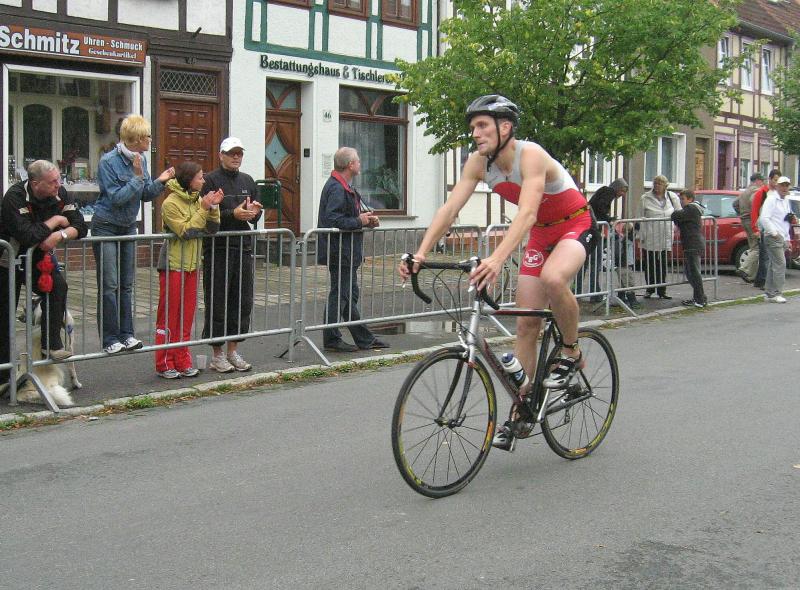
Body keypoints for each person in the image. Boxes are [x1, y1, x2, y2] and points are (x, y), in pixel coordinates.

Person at [398, 95, 597, 452]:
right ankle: (522, 411)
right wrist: (421, 252)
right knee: (526, 323)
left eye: (482, 125)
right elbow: (450, 208)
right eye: (472, 127)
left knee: (553, 278)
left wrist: (496, 259)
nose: (475, 133)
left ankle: (571, 352)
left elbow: (527, 213)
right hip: (541, 235)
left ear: (505, 127)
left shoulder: (531, 155)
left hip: (574, 224)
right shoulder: (478, 163)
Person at [0, 160, 89, 389]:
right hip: (8, 259)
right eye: (52, 182)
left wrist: (60, 236)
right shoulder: (14, 198)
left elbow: (81, 225)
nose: (58, 185)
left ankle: (51, 343)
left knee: (58, 287)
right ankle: (3, 377)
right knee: (5, 316)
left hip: (37, 257)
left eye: (59, 179)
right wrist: (56, 221)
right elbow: (27, 235)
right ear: (35, 183)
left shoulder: (61, 193)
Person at [94, 114, 175, 354]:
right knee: (109, 284)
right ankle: (110, 339)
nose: (150, 139)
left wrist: (161, 181)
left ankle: (127, 335)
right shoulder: (108, 162)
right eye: (147, 136)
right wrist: (138, 178)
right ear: (136, 138)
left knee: (126, 284)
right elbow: (116, 198)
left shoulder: (142, 159)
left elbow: (145, 194)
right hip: (106, 225)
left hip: (128, 225)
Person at [154, 162, 223, 378]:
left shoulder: (197, 201)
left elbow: (211, 229)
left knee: (186, 317)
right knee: (169, 316)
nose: (203, 181)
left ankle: (183, 360)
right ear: (189, 180)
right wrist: (203, 209)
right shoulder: (170, 203)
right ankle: (164, 362)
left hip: (193, 265)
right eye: (200, 177)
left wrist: (214, 208)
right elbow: (187, 231)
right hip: (173, 265)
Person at [317, 147, 389, 353]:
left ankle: (363, 338)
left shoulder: (344, 186)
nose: (360, 163)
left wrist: (366, 221)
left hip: (346, 251)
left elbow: (346, 217)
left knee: (348, 295)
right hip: (340, 251)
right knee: (341, 295)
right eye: (357, 161)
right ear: (350, 165)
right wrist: (359, 221)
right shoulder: (337, 188)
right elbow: (333, 219)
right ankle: (333, 338)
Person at [201, 137, 263, 373]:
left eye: (239, 153)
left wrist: (254, 212)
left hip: (243, 247)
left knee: (242, 301)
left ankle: (232, 350)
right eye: (231, 153)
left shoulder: (248, 180)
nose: (236, 157)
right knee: (218, 301)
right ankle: (217, 354)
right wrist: (232, 214)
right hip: (218, 248)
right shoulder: (210, 180)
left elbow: (255, 212)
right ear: (221, 155)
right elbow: (206, 213)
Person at [583, 178, 639, 307]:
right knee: (595, 263)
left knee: (589, 263)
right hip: (593, 227)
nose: (623, 194)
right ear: (618, 188)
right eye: (623, 191)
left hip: (591, 225)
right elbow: (600, 208)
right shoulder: (609, 192)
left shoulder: (606, 192)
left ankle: (591, 292)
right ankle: (595, 293)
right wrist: (609, 219)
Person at [639, 175, 681, 299]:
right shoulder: (645, 198)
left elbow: (679, 213)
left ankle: (662, 290)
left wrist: (676, 227)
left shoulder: (672, 197)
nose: (657, 186)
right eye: (655, 183)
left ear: (665, 186)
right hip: (650, 234)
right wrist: (639, 236)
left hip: (665, 235)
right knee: (650, 263)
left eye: (660, 184)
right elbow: (639, 216)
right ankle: (650, 289)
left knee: (662, 263)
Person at [758, 176, 795, 303]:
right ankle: (777, 293)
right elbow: (764, 218)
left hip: (782, 237)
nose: (784, 188)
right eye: (782, 185)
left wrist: (787, 239)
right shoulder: (771, 199)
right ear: (777, 186)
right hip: (773, 237)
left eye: (786, 185)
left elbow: (786, 221)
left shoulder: (786, 201)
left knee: (773, 264)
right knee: (780, 264)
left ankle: (769, 293)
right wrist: (774, 232)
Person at [672, 189, 707, 308]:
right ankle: (699, 297)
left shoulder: (691, 208)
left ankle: (700, 299)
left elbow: (676, 215)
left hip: (693, 244)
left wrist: (676, 215)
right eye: (680, 199)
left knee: (694, 273)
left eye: (683, 199)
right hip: (691, 243)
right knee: (689, 272)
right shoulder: (693, 209)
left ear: (690, 199)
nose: (681, 202)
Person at [749, 169, 781, 290]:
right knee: (765, 255)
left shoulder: (778, 194)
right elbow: (754, 211)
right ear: (770, 179)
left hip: (774, 228)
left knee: (768, 255)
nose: (777, 183)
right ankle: (764, 282)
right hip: (763, 227)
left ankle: (759, 280)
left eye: (778, 181)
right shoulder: (762, 193)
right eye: (775, 180)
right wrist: (755, 229)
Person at [736, 172, 765, 283]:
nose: (763, 183)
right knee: (756, 248)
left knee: (753, 246)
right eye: (762, 181)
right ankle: (744, 268)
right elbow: (754, 203)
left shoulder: (744, 192)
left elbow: (735, 204)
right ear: (757, 180)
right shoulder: (756, 191)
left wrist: (741, 213)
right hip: (752, 221)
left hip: (744, 220)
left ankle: (751, 275)